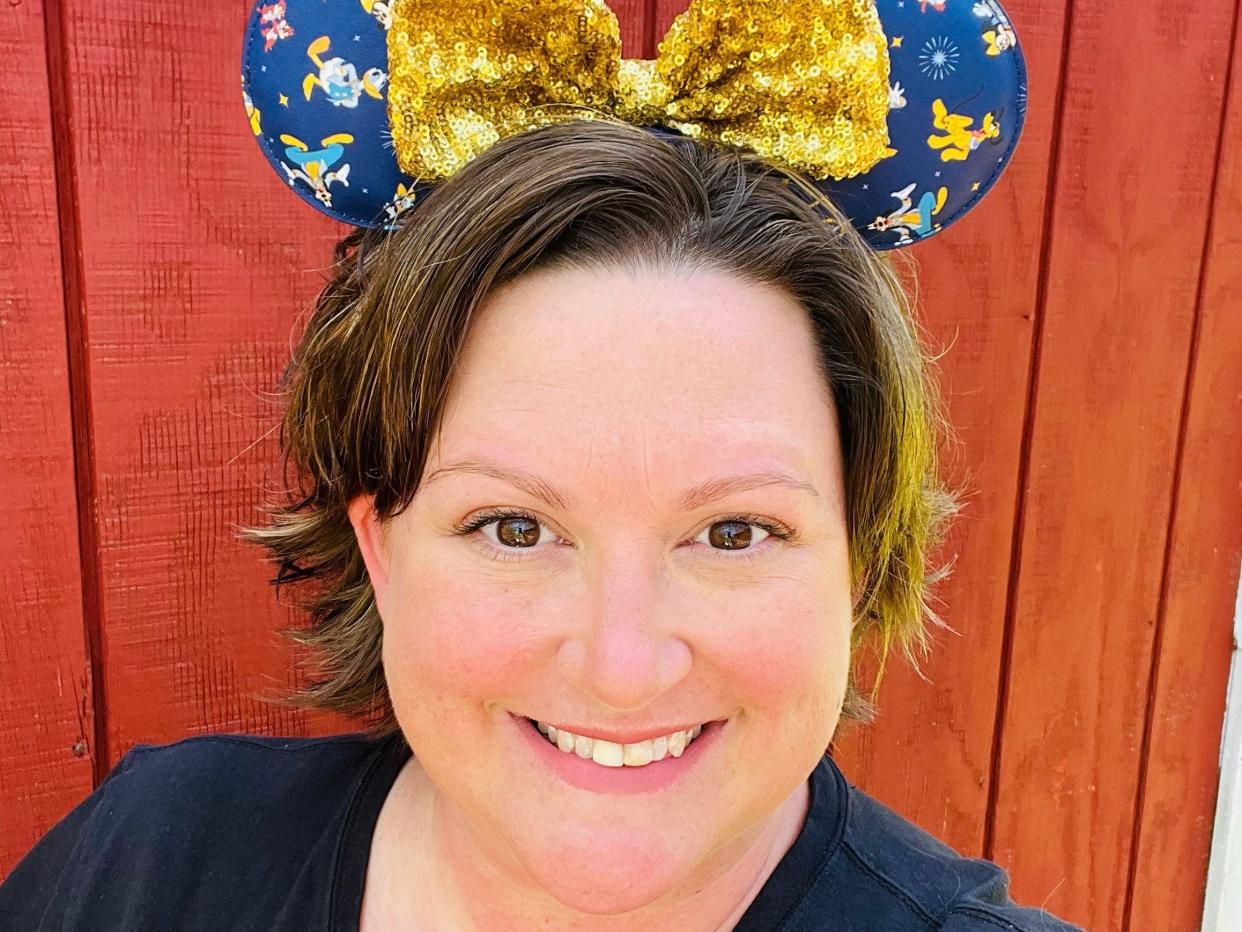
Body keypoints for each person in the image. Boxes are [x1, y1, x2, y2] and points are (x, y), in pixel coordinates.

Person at [2, 1, 1080, 929]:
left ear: (858, 558)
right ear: (380, 544)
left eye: (735, 531)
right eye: (514, 526)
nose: (623, 665)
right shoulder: (151, 862)